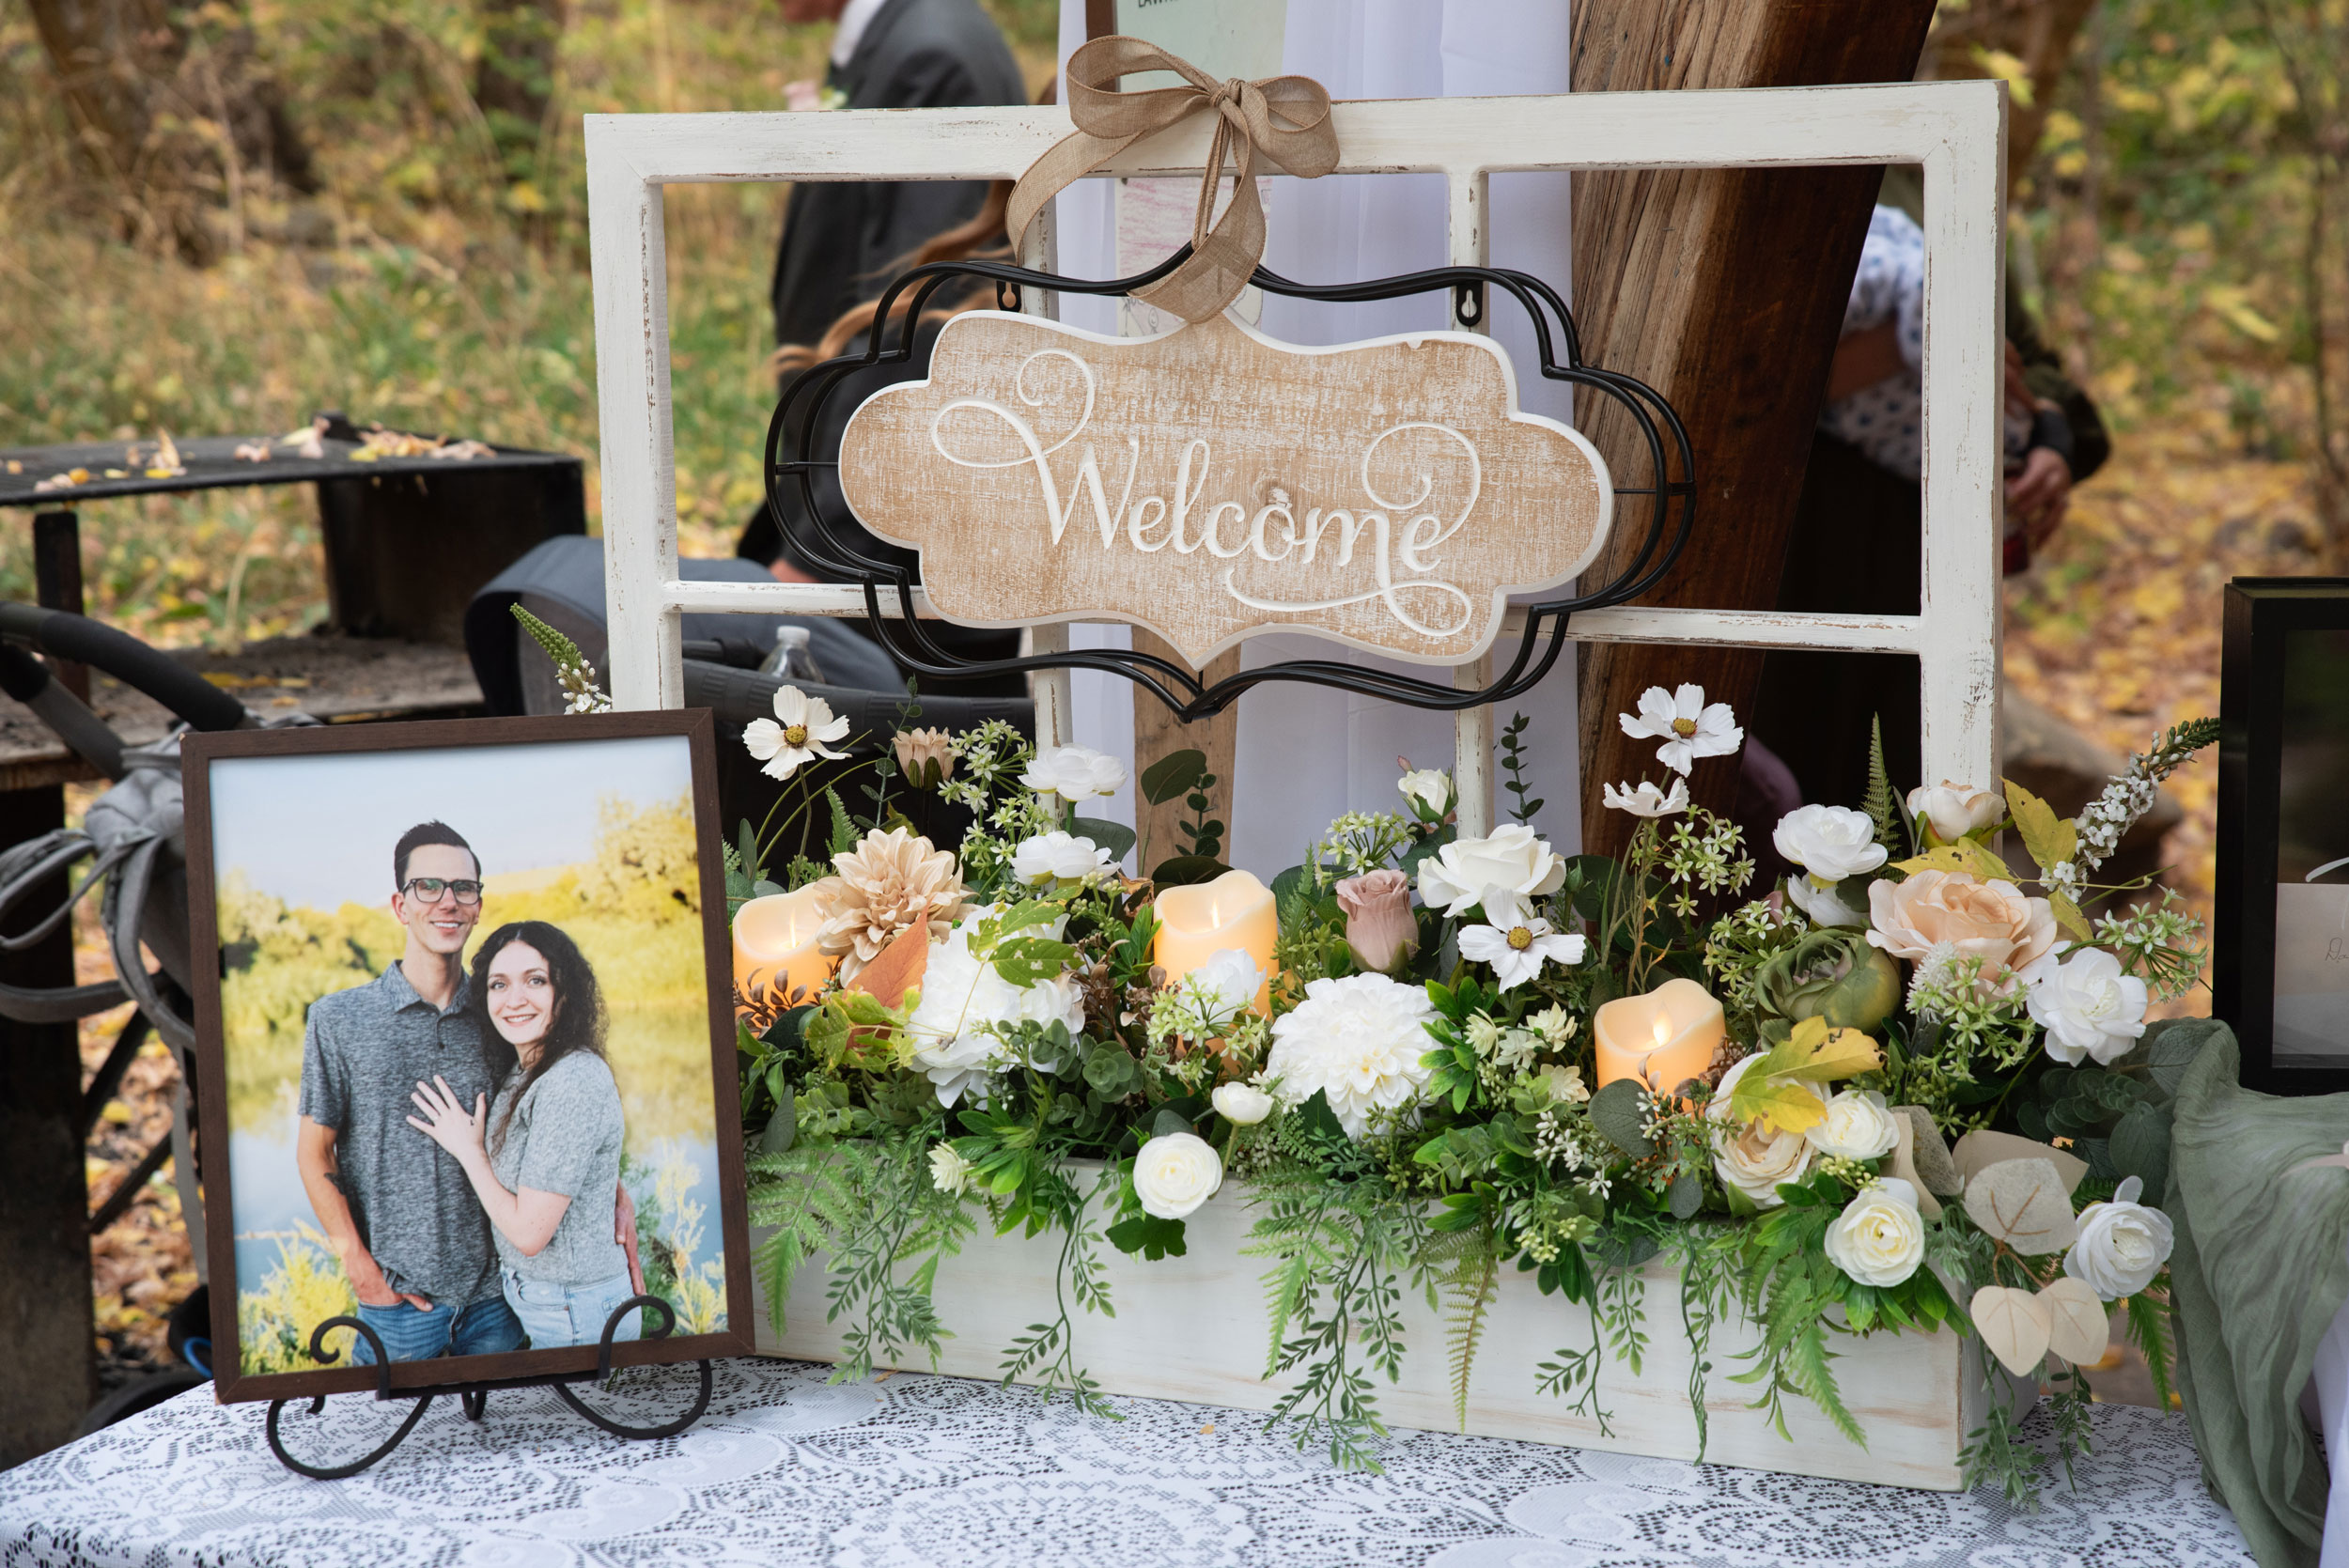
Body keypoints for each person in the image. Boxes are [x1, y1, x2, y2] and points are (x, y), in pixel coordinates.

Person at [295, 822, 521, 1364]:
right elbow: (313, 1152)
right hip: (397, 1309)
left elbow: (547, 1120)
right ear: (401, 905)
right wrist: (359, 1267)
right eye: (429, 887)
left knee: (510, 1443)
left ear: (478, 905)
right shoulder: (339, 1019)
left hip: (501, 1301)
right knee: (382, 1443)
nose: (448, 901)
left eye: (463, 888)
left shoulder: (504, 1016)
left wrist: (614, 1193)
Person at [408, 922, 646, 1350]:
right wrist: (610, 1186)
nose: (514, 1000)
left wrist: (469, 1151)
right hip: (554, 1305)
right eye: (499, 985)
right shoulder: (530, 1066)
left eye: (535, 981)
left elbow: (530, 1234)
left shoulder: (571, 1079)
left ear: (565, 992)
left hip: (578, 1314)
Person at [767, 0, 1026, 355]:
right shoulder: (903, 36)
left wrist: (837, 405)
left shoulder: (932, 59)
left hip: (871, 397)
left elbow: (917, 310)